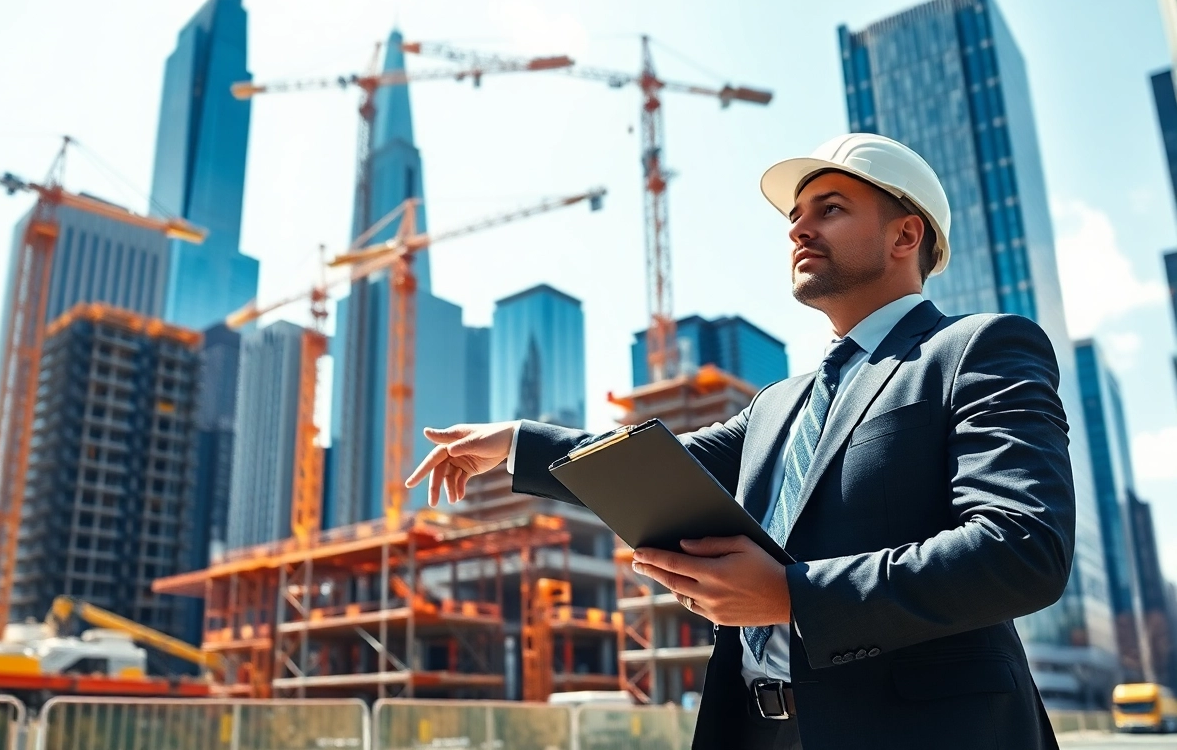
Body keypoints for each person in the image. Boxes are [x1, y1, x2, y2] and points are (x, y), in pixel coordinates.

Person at [405, 133, 1072, 749]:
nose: (799, 229)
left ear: (905, 234)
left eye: (830, 209)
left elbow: (1023, 546)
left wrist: (794, 595)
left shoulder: (977, 349)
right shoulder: (779, 404)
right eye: (795, 217)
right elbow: (661, 466)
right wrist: (515, 443)